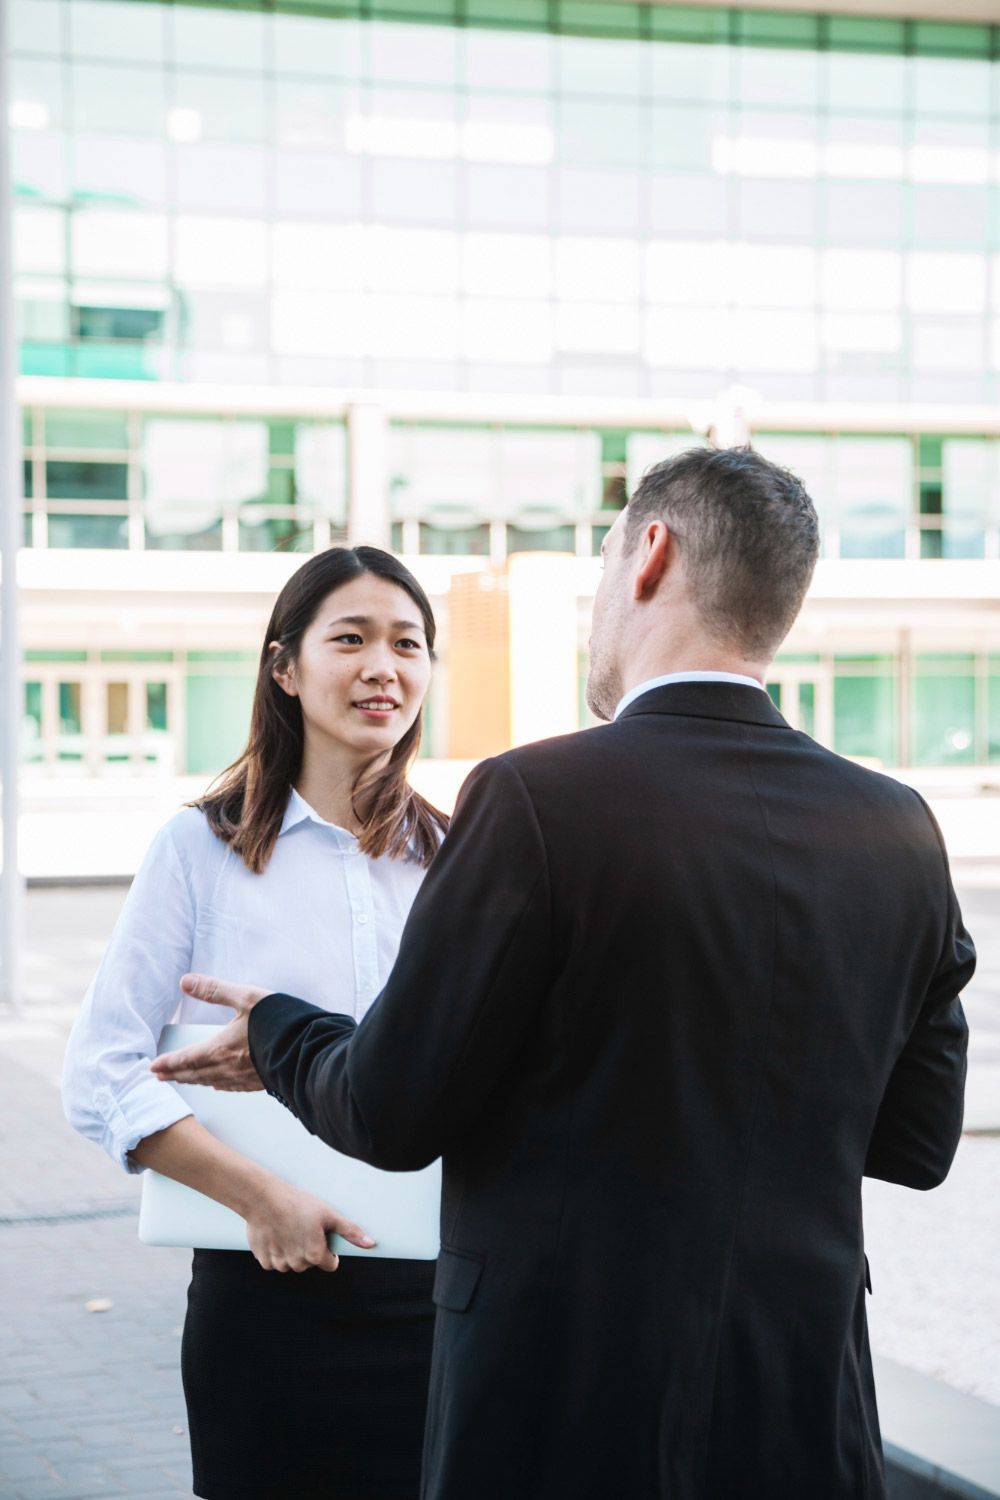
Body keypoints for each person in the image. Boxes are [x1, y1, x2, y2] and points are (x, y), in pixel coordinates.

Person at [156, 447, 974, 1500]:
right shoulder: (897, 827)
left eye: (596, 570)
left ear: (649, 555)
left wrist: (278, 1026)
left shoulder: (539, 799)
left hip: (564, 1403)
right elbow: (913, 1143)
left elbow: (391, 1111)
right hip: (802, 1401)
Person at [62, 545, 448, 1500]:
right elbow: (101, 1072)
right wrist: (257, 1197)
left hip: (442, 1300)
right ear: (284, 666)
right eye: (349, 638)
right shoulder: (200, 849)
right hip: (265, 1292)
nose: (382, 668)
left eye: (408, 644)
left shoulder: (462, 858)